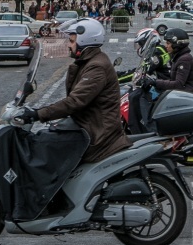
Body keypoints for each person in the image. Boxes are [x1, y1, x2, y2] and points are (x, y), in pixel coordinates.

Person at [17, 19, 131, 163]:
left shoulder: (96, 67)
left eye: (71, 41)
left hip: (97, 134)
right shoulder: (89, 61)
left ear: (84, 41)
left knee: (44, 146)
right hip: (88, 125)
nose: (69, 45)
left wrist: (37, 114)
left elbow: (75, 102)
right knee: (47, 137)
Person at [127, 28, 170, 134]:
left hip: (162, 86)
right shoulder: (156, 50)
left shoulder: (158, 51)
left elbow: (145, 69)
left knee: (137, 98)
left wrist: (118, 77)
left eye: (141, 43)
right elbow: (141, 69)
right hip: (160, 84)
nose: (140, 46)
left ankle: (148, 131)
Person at [144, 28, 193, 96]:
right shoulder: (177, 57)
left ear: (177, 44)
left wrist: (155, 82)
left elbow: (178, 84)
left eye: (168, 43)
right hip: (181, 93)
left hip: (188, 95)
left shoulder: (184, 59)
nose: (166, 46)